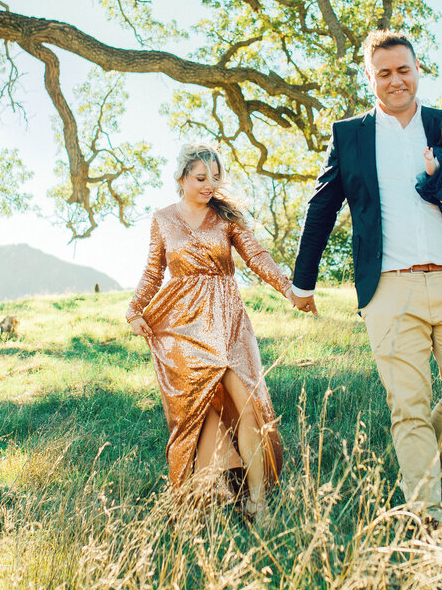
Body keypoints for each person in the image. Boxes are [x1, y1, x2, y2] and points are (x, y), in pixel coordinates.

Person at [289, 30, 442, 528]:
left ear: (417, 71)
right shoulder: (349, 135)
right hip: (389, 289)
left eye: (403, 70)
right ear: (370, 78)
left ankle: (421, 467)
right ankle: (428, 515)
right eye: (383, 72)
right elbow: (322, 207)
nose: (395, 80)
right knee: (408, 406)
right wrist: (304, 283)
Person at [127, 142, 307, 517]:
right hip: (181, 325)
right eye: (200, 177)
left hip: (227, 322)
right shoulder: (162, 219)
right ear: (181, 178)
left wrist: (289, 288)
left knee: (249, 408)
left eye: (215, 176)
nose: (210, 184)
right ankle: (214, 493)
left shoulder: (226, 217)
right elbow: (153, 271)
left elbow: (256, 256)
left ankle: (257, 503)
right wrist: (134, 309)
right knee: (198, 411)